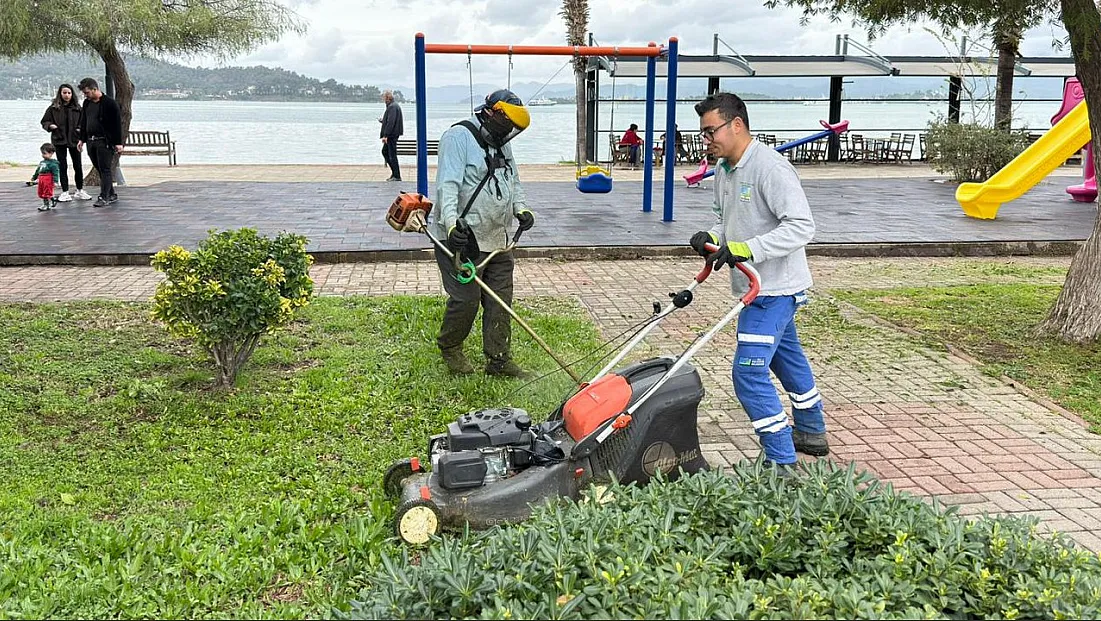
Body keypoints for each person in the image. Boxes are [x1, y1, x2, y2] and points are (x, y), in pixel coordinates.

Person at [688, 92, 828, 471]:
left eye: (710, 131)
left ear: (736, 125)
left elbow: (801, 227)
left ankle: (781, 461)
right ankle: (811, 430)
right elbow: (725, 220)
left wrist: (746, 249)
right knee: (787, 358)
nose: (706, 140)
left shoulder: (770, 168)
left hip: (774, 289)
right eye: (703, 134)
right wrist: (712, 238)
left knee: (749, 373)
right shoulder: (723, 170)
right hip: (753, 284)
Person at [429, 88, 535, 378]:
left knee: (500, 300)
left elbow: (512, 180)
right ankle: (450, 346)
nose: (509, 134)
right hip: (462, 239)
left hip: (498, 237)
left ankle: (499, 360)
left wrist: (521, 209)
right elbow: (447, 185)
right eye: (507, 126)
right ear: (491, 113)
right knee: (466, 299)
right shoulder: (457, 138)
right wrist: (451, 225)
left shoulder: (502, 142)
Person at [76, 77, 124, 208]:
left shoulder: (110, 103)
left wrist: (118, 143)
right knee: (99, 169)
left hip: (105, 141)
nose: (85, 95)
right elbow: (84, 121)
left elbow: (117, 124)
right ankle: (112, 194)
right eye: (84, 93)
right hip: (91, 141)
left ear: (94, 89)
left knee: (105, 169)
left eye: (87, 92)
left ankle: (104, 196)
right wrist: (82, 139)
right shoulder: (87, 103)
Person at [40, 84, 91, 203]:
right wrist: (50, 126)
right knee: (62, 166)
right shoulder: (53, 108)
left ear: (72, 94)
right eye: (64, 93)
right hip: (59, 140)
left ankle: (79, 190)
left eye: (69, 93)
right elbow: (44, 121)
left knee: (77, 165)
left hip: (74, 140)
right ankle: (65, 192)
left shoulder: (78, 108)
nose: (67, 95)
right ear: (60, 93)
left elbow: (84, 122)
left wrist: (79, 131)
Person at [379, 90, 404, 181]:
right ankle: (395, 174)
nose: (383, 99)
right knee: (386, 152)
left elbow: (391, 122)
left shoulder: (392, 107)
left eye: (383, 97)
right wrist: (383, 121)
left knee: (391, 154)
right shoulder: (393, 106)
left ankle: (396, 175)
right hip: (392, 134)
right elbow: (390, 120)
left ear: (387, 98)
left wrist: (386, 135)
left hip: (391, 135)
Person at [32, 143, 61, 211]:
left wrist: (55, 181)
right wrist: (35, 177)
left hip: (48, 179)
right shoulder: (42, 162)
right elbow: (38, 170)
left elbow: (56, 173)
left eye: (44, 153)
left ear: (51, 153)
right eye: (42, 153)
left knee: (46, 192)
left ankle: (46, 205)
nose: (43, 155)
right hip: (41, 179)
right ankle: (53, 199)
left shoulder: (53, 164)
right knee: (41, 192)